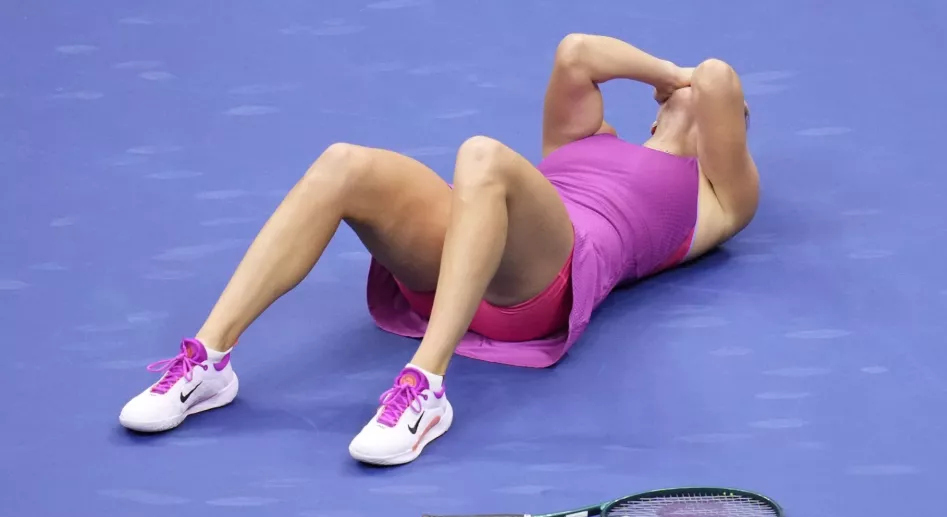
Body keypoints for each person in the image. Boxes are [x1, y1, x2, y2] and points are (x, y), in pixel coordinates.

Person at [119, 34, 759, 466]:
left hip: (539, 284)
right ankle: (209, 361)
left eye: (726, 112)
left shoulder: (715, 199)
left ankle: (425, 388)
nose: (698, 94)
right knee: (345, 164)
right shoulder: (591, 137)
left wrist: (687, 83)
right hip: (462, 260)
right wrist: (671, 77)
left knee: (483, 155)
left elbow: (719, 76)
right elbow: (576, 53)